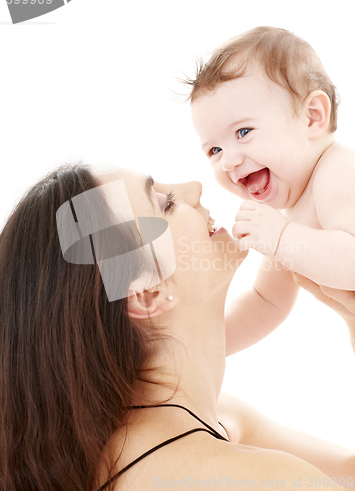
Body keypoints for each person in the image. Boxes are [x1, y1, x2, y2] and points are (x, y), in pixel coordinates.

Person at [0, 162, 354, 491]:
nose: (195, 187)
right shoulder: (270, 481)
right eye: (165, 203)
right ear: (148, 294)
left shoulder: (213, 421)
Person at [189, 26, 355, 355]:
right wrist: (200, 347)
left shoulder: (337, 172)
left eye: (244, 131)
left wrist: (280, 238)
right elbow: (266, 303)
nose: (228, 162)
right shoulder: (286, 218)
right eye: (214, 151)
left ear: (312, 118)